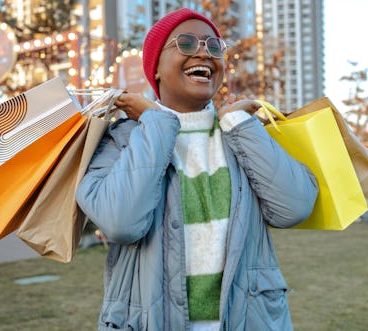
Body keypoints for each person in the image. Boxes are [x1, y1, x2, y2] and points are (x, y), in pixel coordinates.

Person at [76, 8, 318, 331]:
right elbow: (122, 221)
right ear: (156, 68)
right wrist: (157, 123)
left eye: (214, 46)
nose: (204, 51)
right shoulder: (118, 140)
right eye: (187, 43)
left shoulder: (243, 136)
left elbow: (296, 206)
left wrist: (239, 123)